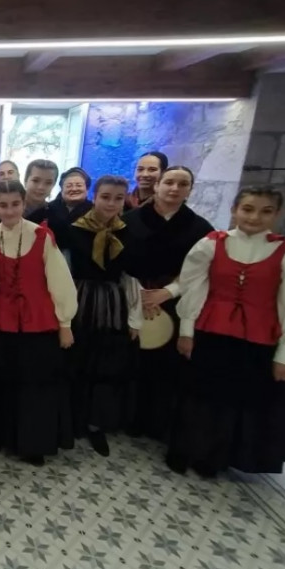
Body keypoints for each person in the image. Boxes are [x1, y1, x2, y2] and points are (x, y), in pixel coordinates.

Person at [168, 186, 285, 477]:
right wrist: (186, 330)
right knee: (199, 395)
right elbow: (193, 287)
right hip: (211, 331)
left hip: (257, 338)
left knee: (238, 398)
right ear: (235, 210)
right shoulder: (211, 244)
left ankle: (216, 458)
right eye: (248, 209)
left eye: (265, 211)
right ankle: (184, 450)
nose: (255, 217)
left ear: (277, 214)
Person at [0, 180, 78, 466]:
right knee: (0, 380)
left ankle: (33, 443)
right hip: (1, 320)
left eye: (15, 204)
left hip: (38, 319)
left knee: (36, 383)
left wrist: (65, 322)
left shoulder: (43, 236)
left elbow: (60, 281)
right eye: (3, 205)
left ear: (23, 203)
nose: (9, 211)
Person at [121, 166, 214, 441]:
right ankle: (128, 418)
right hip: (134, 295)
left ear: (190, 190)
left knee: (165, 367)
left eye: (182, 184)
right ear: (158, 185)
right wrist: (140, 294)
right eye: (169, 182)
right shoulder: (129, 220)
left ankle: (157, 422)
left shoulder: (201, 228)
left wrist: (168, 292)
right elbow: (121, 262)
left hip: (175, 301)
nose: (174, 189)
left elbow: (201, 272)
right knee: (131, 360)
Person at [65, 175, 142, 456]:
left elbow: (130, 277)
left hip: (111, 303)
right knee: (76, 360)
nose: (111, 203)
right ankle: (72, 419)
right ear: (94, 197)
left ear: (125, 200)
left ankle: (96, 423)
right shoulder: (73, 229)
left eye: (118, 198)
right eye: (106, 197)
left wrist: (135, 318)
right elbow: (64, 270)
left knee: (105, 364)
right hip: (80, 297)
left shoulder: (129, 232)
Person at [27, 167, 94, 250]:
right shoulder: (47, 209)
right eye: (69, 186)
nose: (74, 189)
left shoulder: (95, 211)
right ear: (62, 190)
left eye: (79, 185)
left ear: (87, 189)